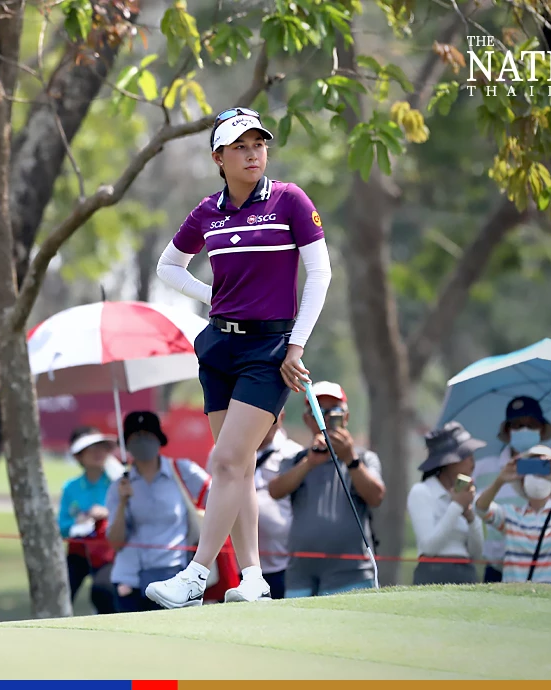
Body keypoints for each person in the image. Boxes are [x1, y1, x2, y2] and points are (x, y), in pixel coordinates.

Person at [148, 107, 331, 607]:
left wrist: (296, 344)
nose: (253, 153)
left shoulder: (290, 200)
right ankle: (252, 577)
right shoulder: (208, 211)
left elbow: (320, 274)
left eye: (259, 144)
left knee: (225, 461)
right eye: (241, 146)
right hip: (219, 347)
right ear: (219, 158)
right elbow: (169, 266)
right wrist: (214, 298)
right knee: (239, 469)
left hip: (268, 350)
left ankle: (195, 575)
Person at [267, 381, 385, 597]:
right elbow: (275, 490)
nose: (327, 418)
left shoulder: (364, 458)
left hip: (352, 573)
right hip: (301, 573)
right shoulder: (297, 460)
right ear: (307, 419)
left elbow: (376, 496)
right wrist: (310, 463)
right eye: (319, 412)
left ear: (346, 417)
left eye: (334, 411)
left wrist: (350, 458)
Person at [105, 411, 212, 612]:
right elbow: (116, 543)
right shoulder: (118, 486)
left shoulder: (182, 471)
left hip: (174, 574)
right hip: (130, 580)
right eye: (135, 436)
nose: (141, 440)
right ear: (126, 443)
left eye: (147, 434)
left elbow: (218, 496)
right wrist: (122, 503)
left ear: (158, 438)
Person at [471, 395, 551, 583]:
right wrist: (500, 480)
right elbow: (478, 508)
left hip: (546, 571)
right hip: (498, 569)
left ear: (541, 429)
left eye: (531, 425)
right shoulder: (483, 469)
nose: (524, 430)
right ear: (507, 430)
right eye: (517, 425)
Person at [474, 446, 551, 585]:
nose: (537, 476)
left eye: (543, 468)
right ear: (522, 480)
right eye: (530, 469)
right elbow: (481, 508)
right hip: (517, 598)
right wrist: (500, 480)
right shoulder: (510, 515)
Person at [407, 421, 485, 585]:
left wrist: (470, 515)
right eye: (465, 455)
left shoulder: (467, 495)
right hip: (433, 575)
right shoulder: (422, 492)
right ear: (447, 463)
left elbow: (476, 553)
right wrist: (456, 506)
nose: (472, 461)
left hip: (466, 576)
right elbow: (429, 547)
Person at [58, 426, 120, 615]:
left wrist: (107, 513)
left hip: (108, 552)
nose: (99, 454)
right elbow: (62, 526)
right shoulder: (71, 487)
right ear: (79, 457)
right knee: (60, 589)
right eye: (92, 450)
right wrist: (80, 521)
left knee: (103, 590)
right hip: (79, 551)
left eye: (102, 449)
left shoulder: (117, 482)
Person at [252, 409, 303, 599]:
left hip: (282, 565)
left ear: (281, 417)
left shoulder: (294, 453)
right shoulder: (228, 450)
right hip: (238, 566)